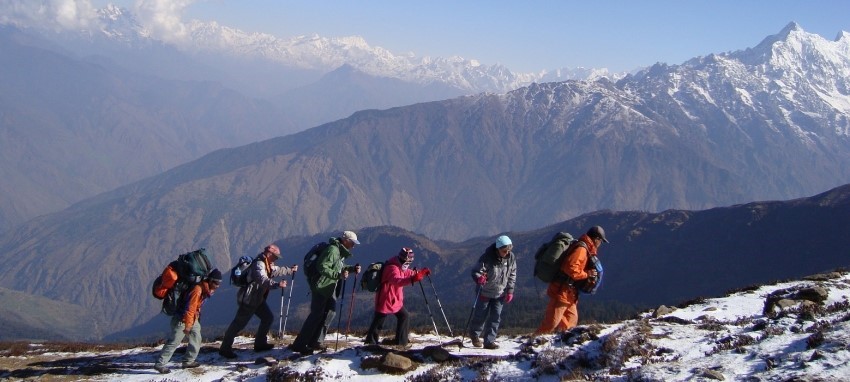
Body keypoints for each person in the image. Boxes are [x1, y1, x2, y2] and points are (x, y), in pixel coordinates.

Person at [289, 230, 362, 355]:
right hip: (322, 286)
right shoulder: (333, 250)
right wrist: (338, 275)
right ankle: (300, 344)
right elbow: (322, 266)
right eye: (352, 242)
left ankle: (316, 341)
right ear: (345, 240)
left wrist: (350, 269)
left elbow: (337, 266)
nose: (353, 245)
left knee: (330, 313)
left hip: (328, 286)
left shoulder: (339, 251)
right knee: (316, 315)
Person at [218, 244, 297, 359]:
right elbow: (262, 279)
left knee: (267, 318)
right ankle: (225, 349)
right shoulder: (259, 264)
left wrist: (290, 270)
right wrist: (276, 285)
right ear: (269, 253)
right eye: (275, 256)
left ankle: (260, 344)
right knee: (238, 324)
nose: (276, 259)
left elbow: (275, 271)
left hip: (257, 299)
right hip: (249, 300)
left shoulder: (266, 264)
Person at [533, 225, 609, 335]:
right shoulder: (582, 249)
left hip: (570, 293)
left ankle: (562, 347)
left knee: (570, 322)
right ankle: (533, 343)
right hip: (562, 291)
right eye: (601, 241)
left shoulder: (584, 247)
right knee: (551, 323)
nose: (600, 244)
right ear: (596, 239)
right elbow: (571, 269)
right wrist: (587, 274)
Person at [154, 268, 222, 374]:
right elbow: (190, 308)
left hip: (192, 318)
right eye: (216, 283)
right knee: (174, 341)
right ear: (210, 280)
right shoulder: (197, 290)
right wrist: (188, 326)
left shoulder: (205, 289)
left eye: (219, 283)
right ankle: (160, 364)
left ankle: (188, 361)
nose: (218, 286)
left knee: (196, 338)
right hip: (182, 319)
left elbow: (196, 307)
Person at [364, 247, 431, 347]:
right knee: (380, 319)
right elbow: (397, 281)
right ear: (404, 259)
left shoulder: (398, 265)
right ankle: (371, 342)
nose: (409, 263)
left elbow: (406, 272)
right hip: (386, 299)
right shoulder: (392, 268)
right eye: (409, 260)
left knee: (403, 316)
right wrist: (413, 279)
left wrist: (420, 273)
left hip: (393, 299)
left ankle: (400, 342)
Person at [468, 235, 517, 349]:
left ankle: (489, 341)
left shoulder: (511, 258)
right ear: (498, 249)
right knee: (480, 315)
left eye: (509, 250)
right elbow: (475, 271)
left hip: (500, 292)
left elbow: (512, 274)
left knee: (495, 317)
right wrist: (479, 278)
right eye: (504, 251)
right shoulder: (487, 258)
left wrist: (510, 290)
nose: (507, 253)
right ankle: (475, 335)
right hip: (485, 291)